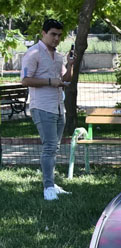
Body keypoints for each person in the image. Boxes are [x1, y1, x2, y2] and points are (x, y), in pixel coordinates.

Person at [21, 19, 75, 201]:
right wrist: (50, 82)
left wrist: (70, 64)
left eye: (59, 35)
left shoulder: (58, 56)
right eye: (53, 34)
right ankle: (48, 187)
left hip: (59, 107)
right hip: (42, 106)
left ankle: (52, 183)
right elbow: (26, 80)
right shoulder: (33, 53)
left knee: (54, 148)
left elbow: (65, 79)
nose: (56, 38)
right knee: (49, 147)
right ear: (43, 33)